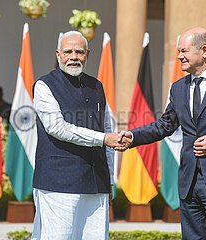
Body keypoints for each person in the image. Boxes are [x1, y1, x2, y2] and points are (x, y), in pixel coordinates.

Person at [117, 27, 206, 239]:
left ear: (204, 50)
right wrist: (133, 136)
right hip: (189, 184)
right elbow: (165, 125)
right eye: (178, 51)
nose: (178, 56)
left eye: (184, 51)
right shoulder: (178, 87)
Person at [31, 31, 126, 240]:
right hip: (58, 183)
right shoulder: (44, 85)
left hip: (96, 183)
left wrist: (108, 178)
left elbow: (107, 129)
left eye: (79, 52)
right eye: (68, 52)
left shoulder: (97, 86)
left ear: (88, 55)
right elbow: (57, 128)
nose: (73, 56)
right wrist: (103, 139)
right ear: (58, 54)